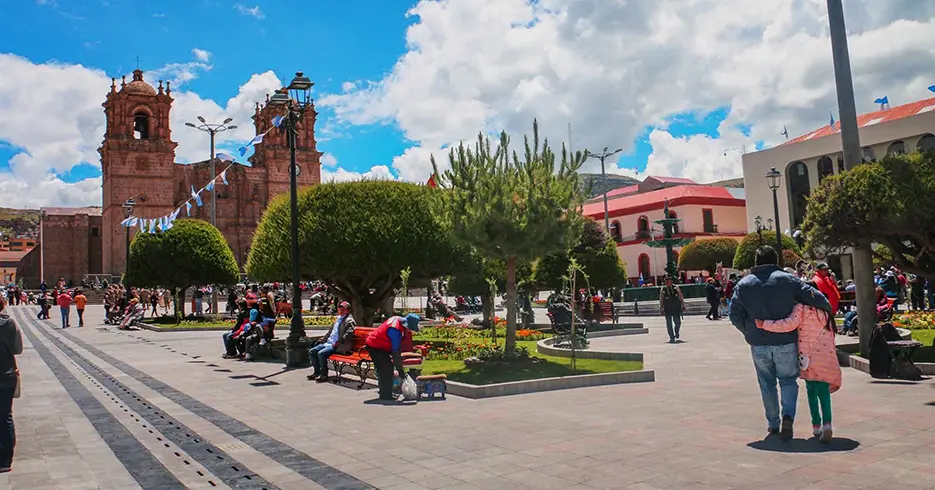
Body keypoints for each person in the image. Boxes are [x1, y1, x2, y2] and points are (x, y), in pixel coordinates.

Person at [729, 246, 831, 441]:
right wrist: (826, 308)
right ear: (775, 259)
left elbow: (734, 315)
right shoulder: (787, 280)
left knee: (766, 384)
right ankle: (788, 416)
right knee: (788, 380)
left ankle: (773, 424)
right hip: (786, 341)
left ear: (757, 261)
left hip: (758, 343)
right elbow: (814, 296)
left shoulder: (744, 284)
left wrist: (748, 330)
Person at [756, 302, 841, 443]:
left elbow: (789, 324)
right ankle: (827, 424)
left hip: (809, 356)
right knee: (823, 392)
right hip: (827, 356)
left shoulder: (801, 308)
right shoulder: (824, 311)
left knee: (811, 391)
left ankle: (816, 425)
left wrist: (765, 324)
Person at [365, 314, 421, 401]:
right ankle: (386, 395)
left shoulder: (397, 319)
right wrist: (400, 369)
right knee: (386, 369)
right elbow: (396, 351)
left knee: (384, 369)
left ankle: (385, 392)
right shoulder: (395, 330)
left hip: (378, 345)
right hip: (375, 346)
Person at [307, 301, 356, 382]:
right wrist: (322, 340)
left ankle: (324, 375)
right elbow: (330, 332)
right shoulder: (338, 319)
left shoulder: (349, 320)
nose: (341, 310)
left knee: (321, 353)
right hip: (328, 343)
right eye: (340, 308)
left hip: (337, 345)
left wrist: (338, 342)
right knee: (312, 351)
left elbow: (348, 333)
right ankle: (316, 372)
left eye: (343, 308)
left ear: (348, 310)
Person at [0, 297, 22, 472]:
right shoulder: (9, 324)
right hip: (6, 374)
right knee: (5, 415)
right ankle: (5, 461)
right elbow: (17, 349)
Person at [658, 276, 685, 344]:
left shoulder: (676, 287)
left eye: (669, 281)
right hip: (667, 308)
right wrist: (661, 307)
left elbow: (680, 296)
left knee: (678, 322)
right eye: (666, 281)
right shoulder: (663, 289)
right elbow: (661, 298)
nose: (667, 282)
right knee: (669, 323)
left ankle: (676, 331)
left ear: (671, 281)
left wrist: (683, 304)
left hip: (676, 308)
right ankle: (672, 337)